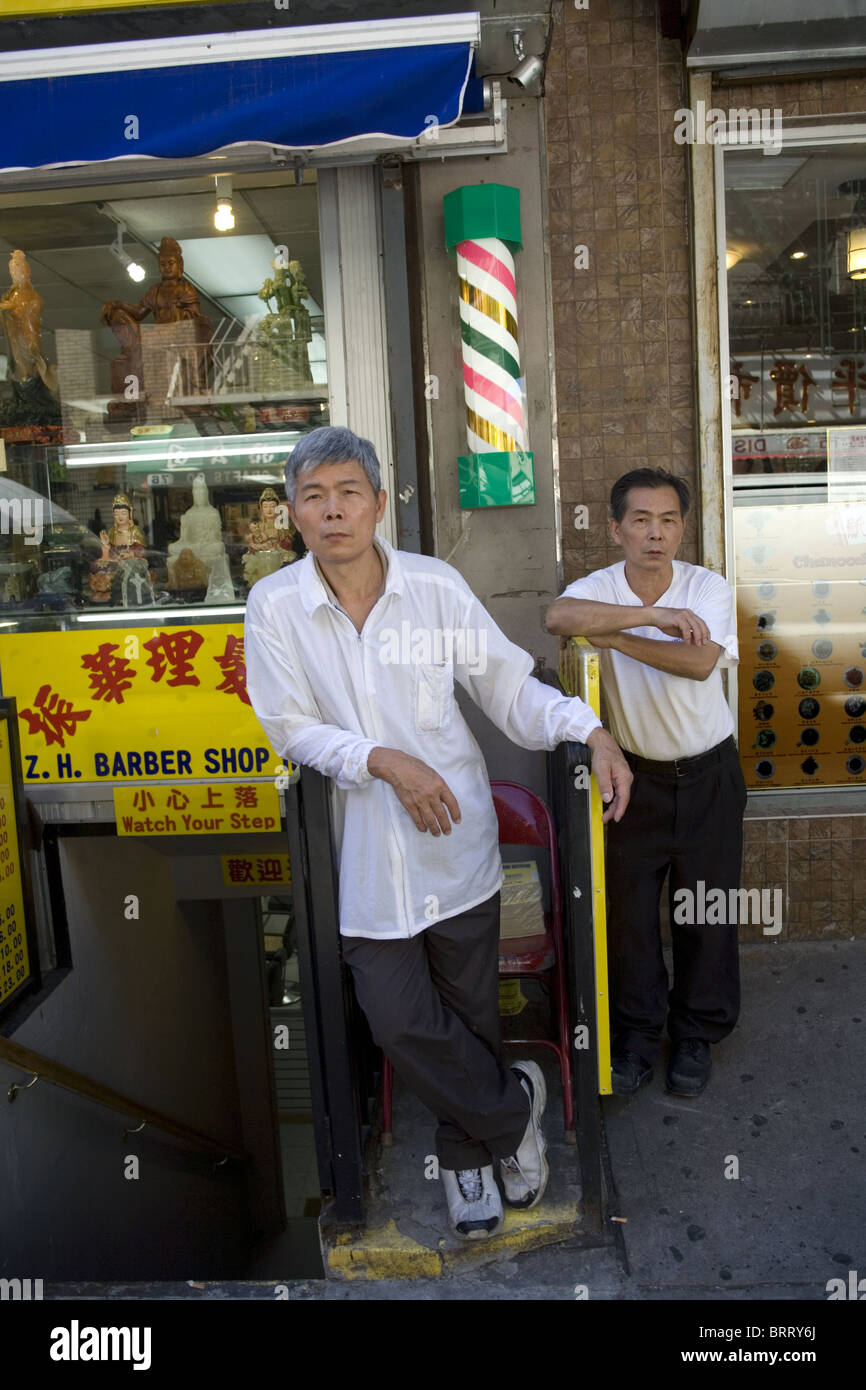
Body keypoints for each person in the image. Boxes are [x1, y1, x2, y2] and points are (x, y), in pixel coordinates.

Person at [244, 425, 632, 1241]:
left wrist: (587, 730)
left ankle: (466, 1164)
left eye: (349, 492)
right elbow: (288, 727)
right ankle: (511, 1112)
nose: (333, 510)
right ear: (293, 513)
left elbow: (505, 689)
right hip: (366, 869)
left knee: (469, 1016)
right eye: (313, 497)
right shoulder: (275, 606)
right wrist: (381, 758)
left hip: (457, 851)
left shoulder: (434, 588)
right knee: (397, 1020)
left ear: (379, 504)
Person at [545, 468, 745, 1099]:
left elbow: (698, 662)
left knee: (706, 911)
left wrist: (616, 635)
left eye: (667, 521)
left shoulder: (709, 587)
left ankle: (695, 1035)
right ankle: (635, 1038)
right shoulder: (598, 586)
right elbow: (556, 616)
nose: (655, 534)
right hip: (632, 780)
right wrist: (653, 615)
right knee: (628, 918)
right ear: (616, 529)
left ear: (682, 528)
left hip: (710, 774)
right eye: (641, 520)